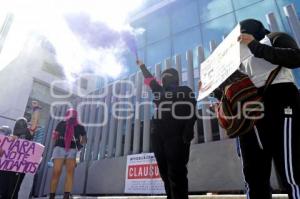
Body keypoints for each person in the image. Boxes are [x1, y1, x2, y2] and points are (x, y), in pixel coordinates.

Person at [236, 19, 300, 199]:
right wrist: (215, 90)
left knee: (290, 166)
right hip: (251, 109)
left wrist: (254, 45)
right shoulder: (237, 54)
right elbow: (237, 84)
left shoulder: (275, 37)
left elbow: (296, 58)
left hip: (280, 100)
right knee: (254, 170)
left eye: (245, 30)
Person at [136, 60, 197, 199]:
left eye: (167, 75)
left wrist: (189, 129)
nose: (164, 78)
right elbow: (150, 79)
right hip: (158, 135)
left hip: (176, 135)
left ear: (175, 77)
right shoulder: (159, 90)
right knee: (164, 171)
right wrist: (142, 66)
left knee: (177, 172)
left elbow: (193, 109)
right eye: (162, 76)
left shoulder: (185, 90)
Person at [0, 101, 41, 199]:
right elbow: (34, 125)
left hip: (16, 170)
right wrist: (36, 109)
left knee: (10, 192)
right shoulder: (8, 139)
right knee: (10, 191)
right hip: (9, 170)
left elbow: (34, 125)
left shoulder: (24, 138)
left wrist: (36, 110)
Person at [49, 108, 87, 199]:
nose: (72, 116)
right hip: (59, 148)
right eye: (70, 114)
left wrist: (80, 144)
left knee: (70, 173)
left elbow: (84, 139)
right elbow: (54, 137)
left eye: (73, 114)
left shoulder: (80, 126)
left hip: (73, 150)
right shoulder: (61, 123)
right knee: (56, 172)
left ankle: (66, 196)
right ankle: (51, 196)